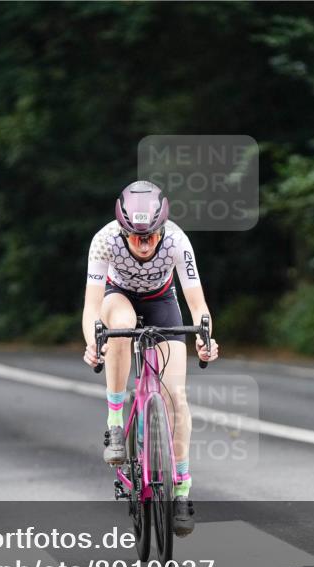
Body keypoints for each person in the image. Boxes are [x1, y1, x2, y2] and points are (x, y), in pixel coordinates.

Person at [81, 181, 219, 536]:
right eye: (135, 236)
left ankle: (183, 490)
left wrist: (205, 338)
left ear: (162, 229)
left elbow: (197, 304)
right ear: (122, 229)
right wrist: (93, 342)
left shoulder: (177, 240)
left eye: (151, 236)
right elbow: (92, 307)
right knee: (121, 326)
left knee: (176, 399)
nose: (143, 244)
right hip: (118, 297)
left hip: (162, 302)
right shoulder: (104, 240)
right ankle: (115, 422)